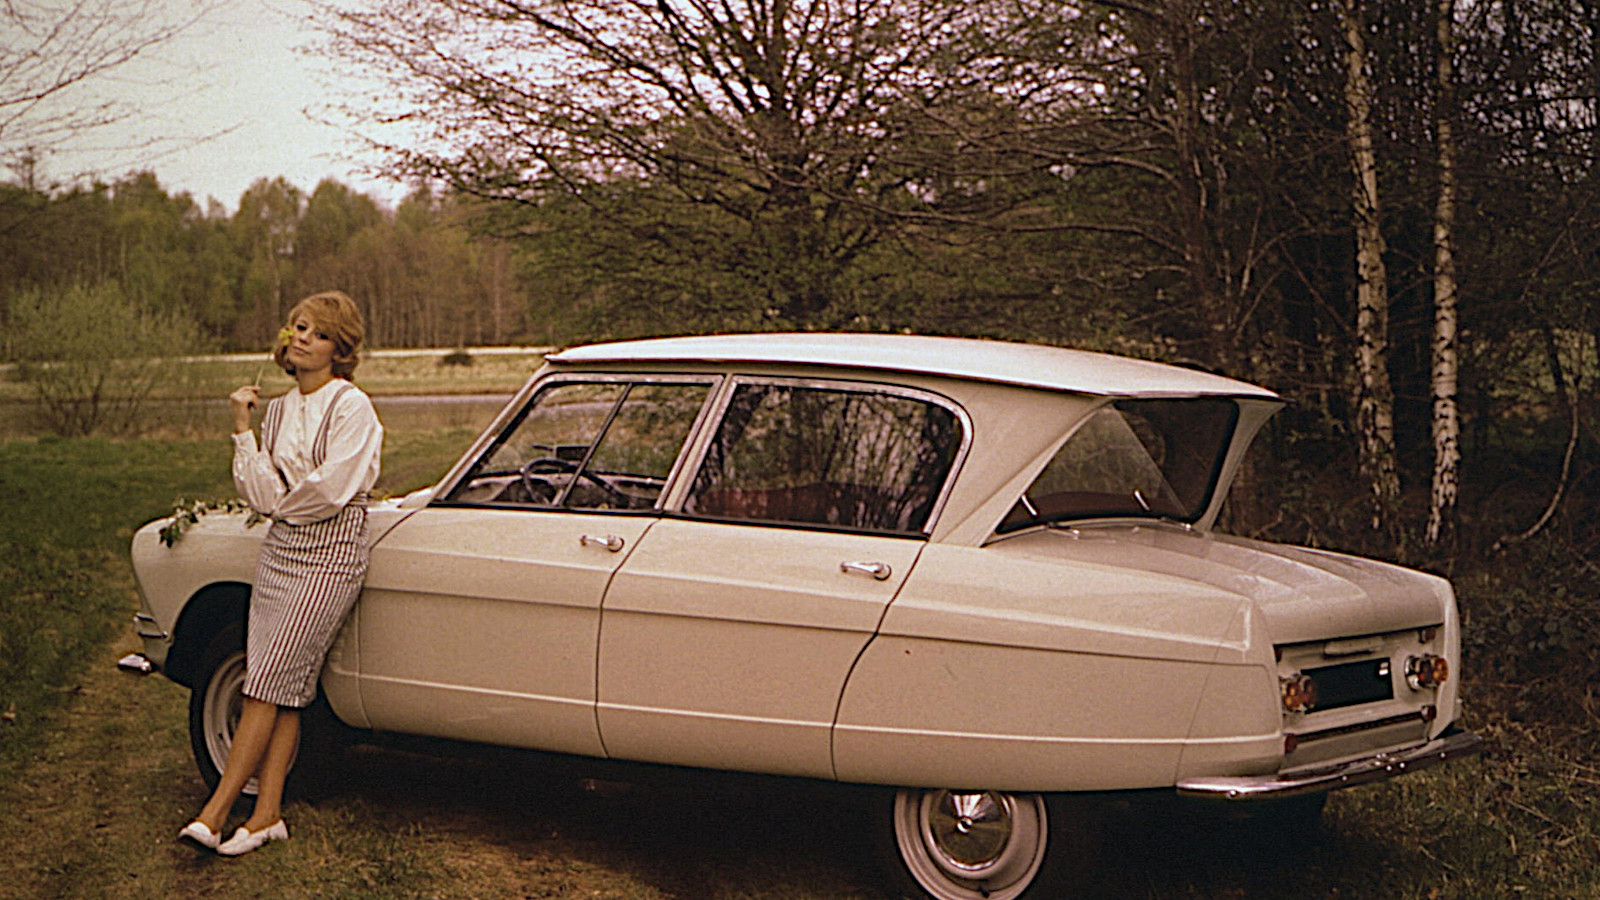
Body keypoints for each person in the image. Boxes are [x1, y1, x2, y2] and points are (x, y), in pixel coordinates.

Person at [178, 290, 383, 857]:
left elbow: (332, 489)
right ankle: (267, 814)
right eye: (299, 327)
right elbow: (260, 491)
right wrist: (242, 427)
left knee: (263, 683)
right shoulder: (282, 410)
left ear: (339, 348)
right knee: (286, 689)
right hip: (280, 553)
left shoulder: (351, 406)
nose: (303, 338)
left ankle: (216, 812)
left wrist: (281, 507)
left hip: (330, 555)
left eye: (318, 333)